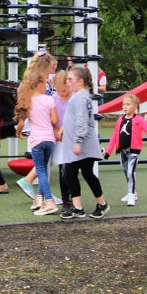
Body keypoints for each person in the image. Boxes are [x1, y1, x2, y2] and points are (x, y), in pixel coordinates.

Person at [59, 66, 109, 220]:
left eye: (70, 79)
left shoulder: (80, 97)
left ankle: (101, 204)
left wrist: (78, 142)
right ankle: (79, 207)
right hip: (78, 144)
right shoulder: (80, 96)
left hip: (82, 145)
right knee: (72, 173)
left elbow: (82, 121)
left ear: (80, 82)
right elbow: (76, 119)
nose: (67, 82)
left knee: (84, 173)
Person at [104, 94, 147, 207]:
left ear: (135, 106)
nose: (125, 107)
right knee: (126, 172)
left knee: (130, 172)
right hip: (122, 150)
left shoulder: (139, 120)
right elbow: (114, 136)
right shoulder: (120, 120)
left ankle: (131, 195)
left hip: (133, 151)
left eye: (128, 104)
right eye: (123, 104)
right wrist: (108, 151)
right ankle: (133, 192)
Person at [14, 72, 61, 215]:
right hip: (50, 140)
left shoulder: (28, 102)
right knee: (43, 170)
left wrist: (19, 133)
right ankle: (40, 198)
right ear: (41, 85)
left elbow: (21, 123)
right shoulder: (49, 100)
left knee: (40, 170)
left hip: (37, 140)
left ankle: (49, 201)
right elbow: (54, 120)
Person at [51, 70, 73, 212]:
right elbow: (52, 117)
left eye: (64, 90)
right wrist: (55, 130)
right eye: (59, 91)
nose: (62, 93)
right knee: (62, 170)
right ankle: (66, 199)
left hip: (70, 136)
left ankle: (72, 197)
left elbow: (74, 116)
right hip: (59, 139)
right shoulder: (54, 98)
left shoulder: (74, 98)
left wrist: (63, 129)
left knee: (70, 170)